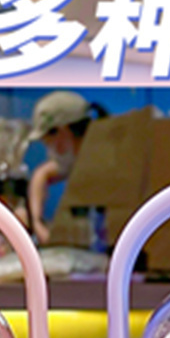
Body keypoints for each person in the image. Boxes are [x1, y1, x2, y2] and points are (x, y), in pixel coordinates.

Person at [26, 91, 103, 245]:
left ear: (64, 131)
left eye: (49, 140)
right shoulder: (75, 158)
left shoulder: (107, 161)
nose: (50, 149)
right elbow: (43, 173)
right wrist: (36, 222)